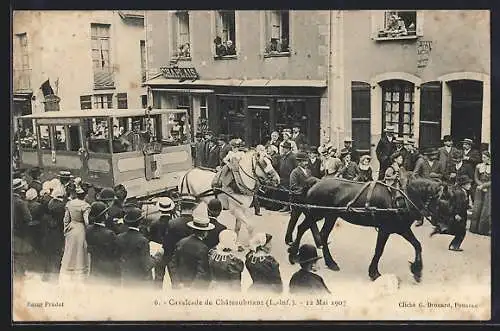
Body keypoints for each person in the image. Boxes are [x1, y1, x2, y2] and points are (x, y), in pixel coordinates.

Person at [286, 152, 320, 246]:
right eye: (304, 161)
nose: (306, 163)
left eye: (306, 161)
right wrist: (305, 189)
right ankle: (288, 239)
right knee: (294, 220)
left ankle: (319, 241)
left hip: (306, 200)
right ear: (299, 162)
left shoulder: (308, 171)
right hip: (297, 200)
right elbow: (293, 187)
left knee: (312, 220)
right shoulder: (295, 172)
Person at [170, 217, 214, 290]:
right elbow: (202, 271)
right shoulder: (203, 248)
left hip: (179, 285)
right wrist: (192, 288)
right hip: (194, 288)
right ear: (205, 232)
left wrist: (177, 282)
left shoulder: (181, 242)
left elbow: (173, 264)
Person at [59, 185, 91, 285]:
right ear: (85, 195)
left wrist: (66, 230)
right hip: (80, 229)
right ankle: (79, 270)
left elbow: (66, 219)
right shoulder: (86, 206)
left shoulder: (70, 204)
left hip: (71, 228)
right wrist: (88, 230)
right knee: (80, 250)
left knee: (70, 249)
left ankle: (69, 268)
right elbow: (86, 221)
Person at [163, 195, 198, 284]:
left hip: (176, 263)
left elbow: (167, 246)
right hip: (193, 263)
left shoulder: (172, 223)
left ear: (180, 207)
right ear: (193, 208)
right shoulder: (198, 224)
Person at [116, 207, 155, 287]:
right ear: (140, 222)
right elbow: (146, 265)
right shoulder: (143, 240)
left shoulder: (119, 237)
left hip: (125, 277)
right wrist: (155, 258)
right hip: (139, 279)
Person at [85, 201, 120, 284]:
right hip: (107, 270)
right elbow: (116, 253)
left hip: (94, 267)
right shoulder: (109, 234)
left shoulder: (88, 229)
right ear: (104, 216)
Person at [149, 197, 176, 288]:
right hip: (171, 253)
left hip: (159, 252)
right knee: (174, 279)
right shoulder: (174, 223)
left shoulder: (154, 223)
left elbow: (151, 238)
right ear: (171, 209)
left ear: (160, 209)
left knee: (158, 278)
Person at [44, 186, 67, 282]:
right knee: (57, 257)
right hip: (58, 234)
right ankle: (55, 278)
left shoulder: (50, 203)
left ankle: (46, 276)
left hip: (48, 234)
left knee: (48, 256)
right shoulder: (62, 206)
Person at [13, 179, 33, 279]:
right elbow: (28, 218)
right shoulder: (20, 203)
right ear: (19, 189)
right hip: (19, 234)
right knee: (20, 256)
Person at [469, 151, 491, 236]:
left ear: (489, 158)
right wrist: (480, 185)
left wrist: (485, 185)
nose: (483, 159)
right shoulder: (479, 166)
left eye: (485, 157)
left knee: (486, 208)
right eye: (482, 157)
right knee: (477, 207)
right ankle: (474, 228)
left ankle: (483, 230)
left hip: (489, 189)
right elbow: (476, 177)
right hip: (479, 188)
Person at [25, 188, 44, 273]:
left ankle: (29, 265)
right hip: (36, 229)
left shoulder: (24, 204)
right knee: (37, 247)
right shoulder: (38, 206)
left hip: (26, 229)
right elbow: (41, 218)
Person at [278, 141, 298, 213]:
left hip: (289, 177)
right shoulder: (283, 156)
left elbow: (296, 167)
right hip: (283, 177)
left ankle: (289, 207)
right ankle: (284, 205)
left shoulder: (293, 156)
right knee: (284, 192)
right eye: (283, 148)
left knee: (289, 192)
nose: (283, 149)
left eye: (285, 148)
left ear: (289, 149)